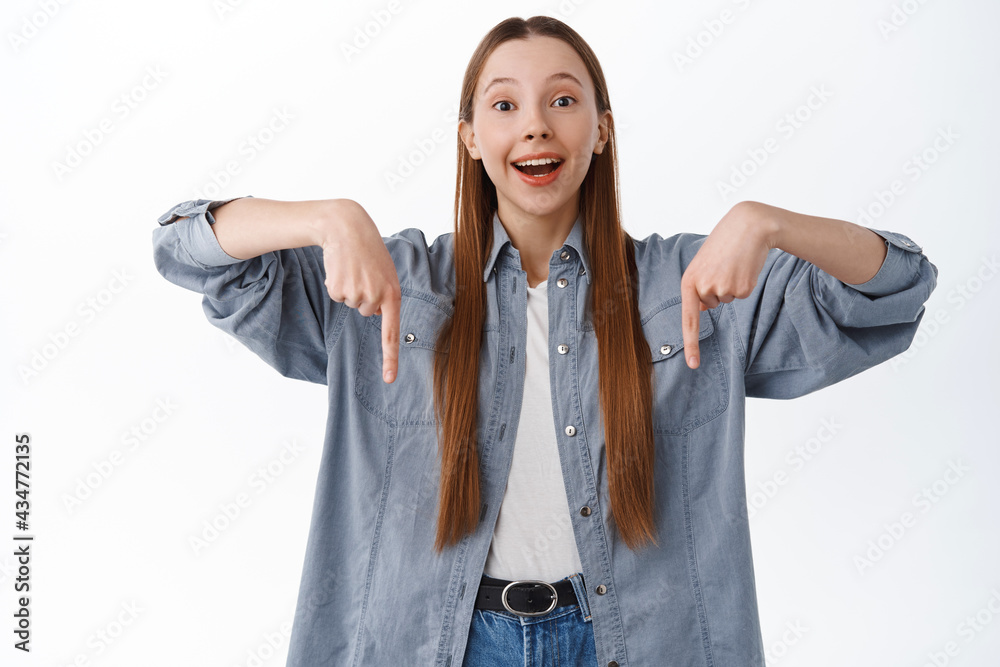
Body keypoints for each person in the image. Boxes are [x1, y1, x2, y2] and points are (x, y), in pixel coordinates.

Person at [151, 15, 938, 667]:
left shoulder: (693, 283)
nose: (534, 123)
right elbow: (186, 248)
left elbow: (897, 287)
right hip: (437, 644)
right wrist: (324, 219)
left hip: (635, 642)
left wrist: (770, 225)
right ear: (469, 138)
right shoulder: (389, 283)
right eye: (504, 105)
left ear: (600, 131)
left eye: (562, 101)